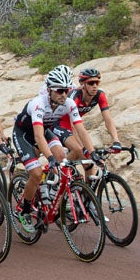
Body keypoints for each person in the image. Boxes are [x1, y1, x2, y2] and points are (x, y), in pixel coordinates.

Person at [11, 65, 84, 232]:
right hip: (24, 134)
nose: (63, 94)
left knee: (62, 157)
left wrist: (91, 152)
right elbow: (38, 137)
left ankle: (52, 194)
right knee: (36, 173)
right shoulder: (38, 103)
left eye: (66, 90)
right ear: (49, 90)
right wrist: (49, 158)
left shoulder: (69, 103)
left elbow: (81, 129)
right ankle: (24, 209)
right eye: (59, 91)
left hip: (45, 131)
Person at [72, 67, 121, 148]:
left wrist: (116, 140)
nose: (94, 86)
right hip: (60, 123)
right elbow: (71, 125)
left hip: (75, 123)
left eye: (97, 83)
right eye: (91, 83)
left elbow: (108, 119)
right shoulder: (75, 97)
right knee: (79, 151)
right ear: (82, 84)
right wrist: (83, 147)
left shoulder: (100, 95)